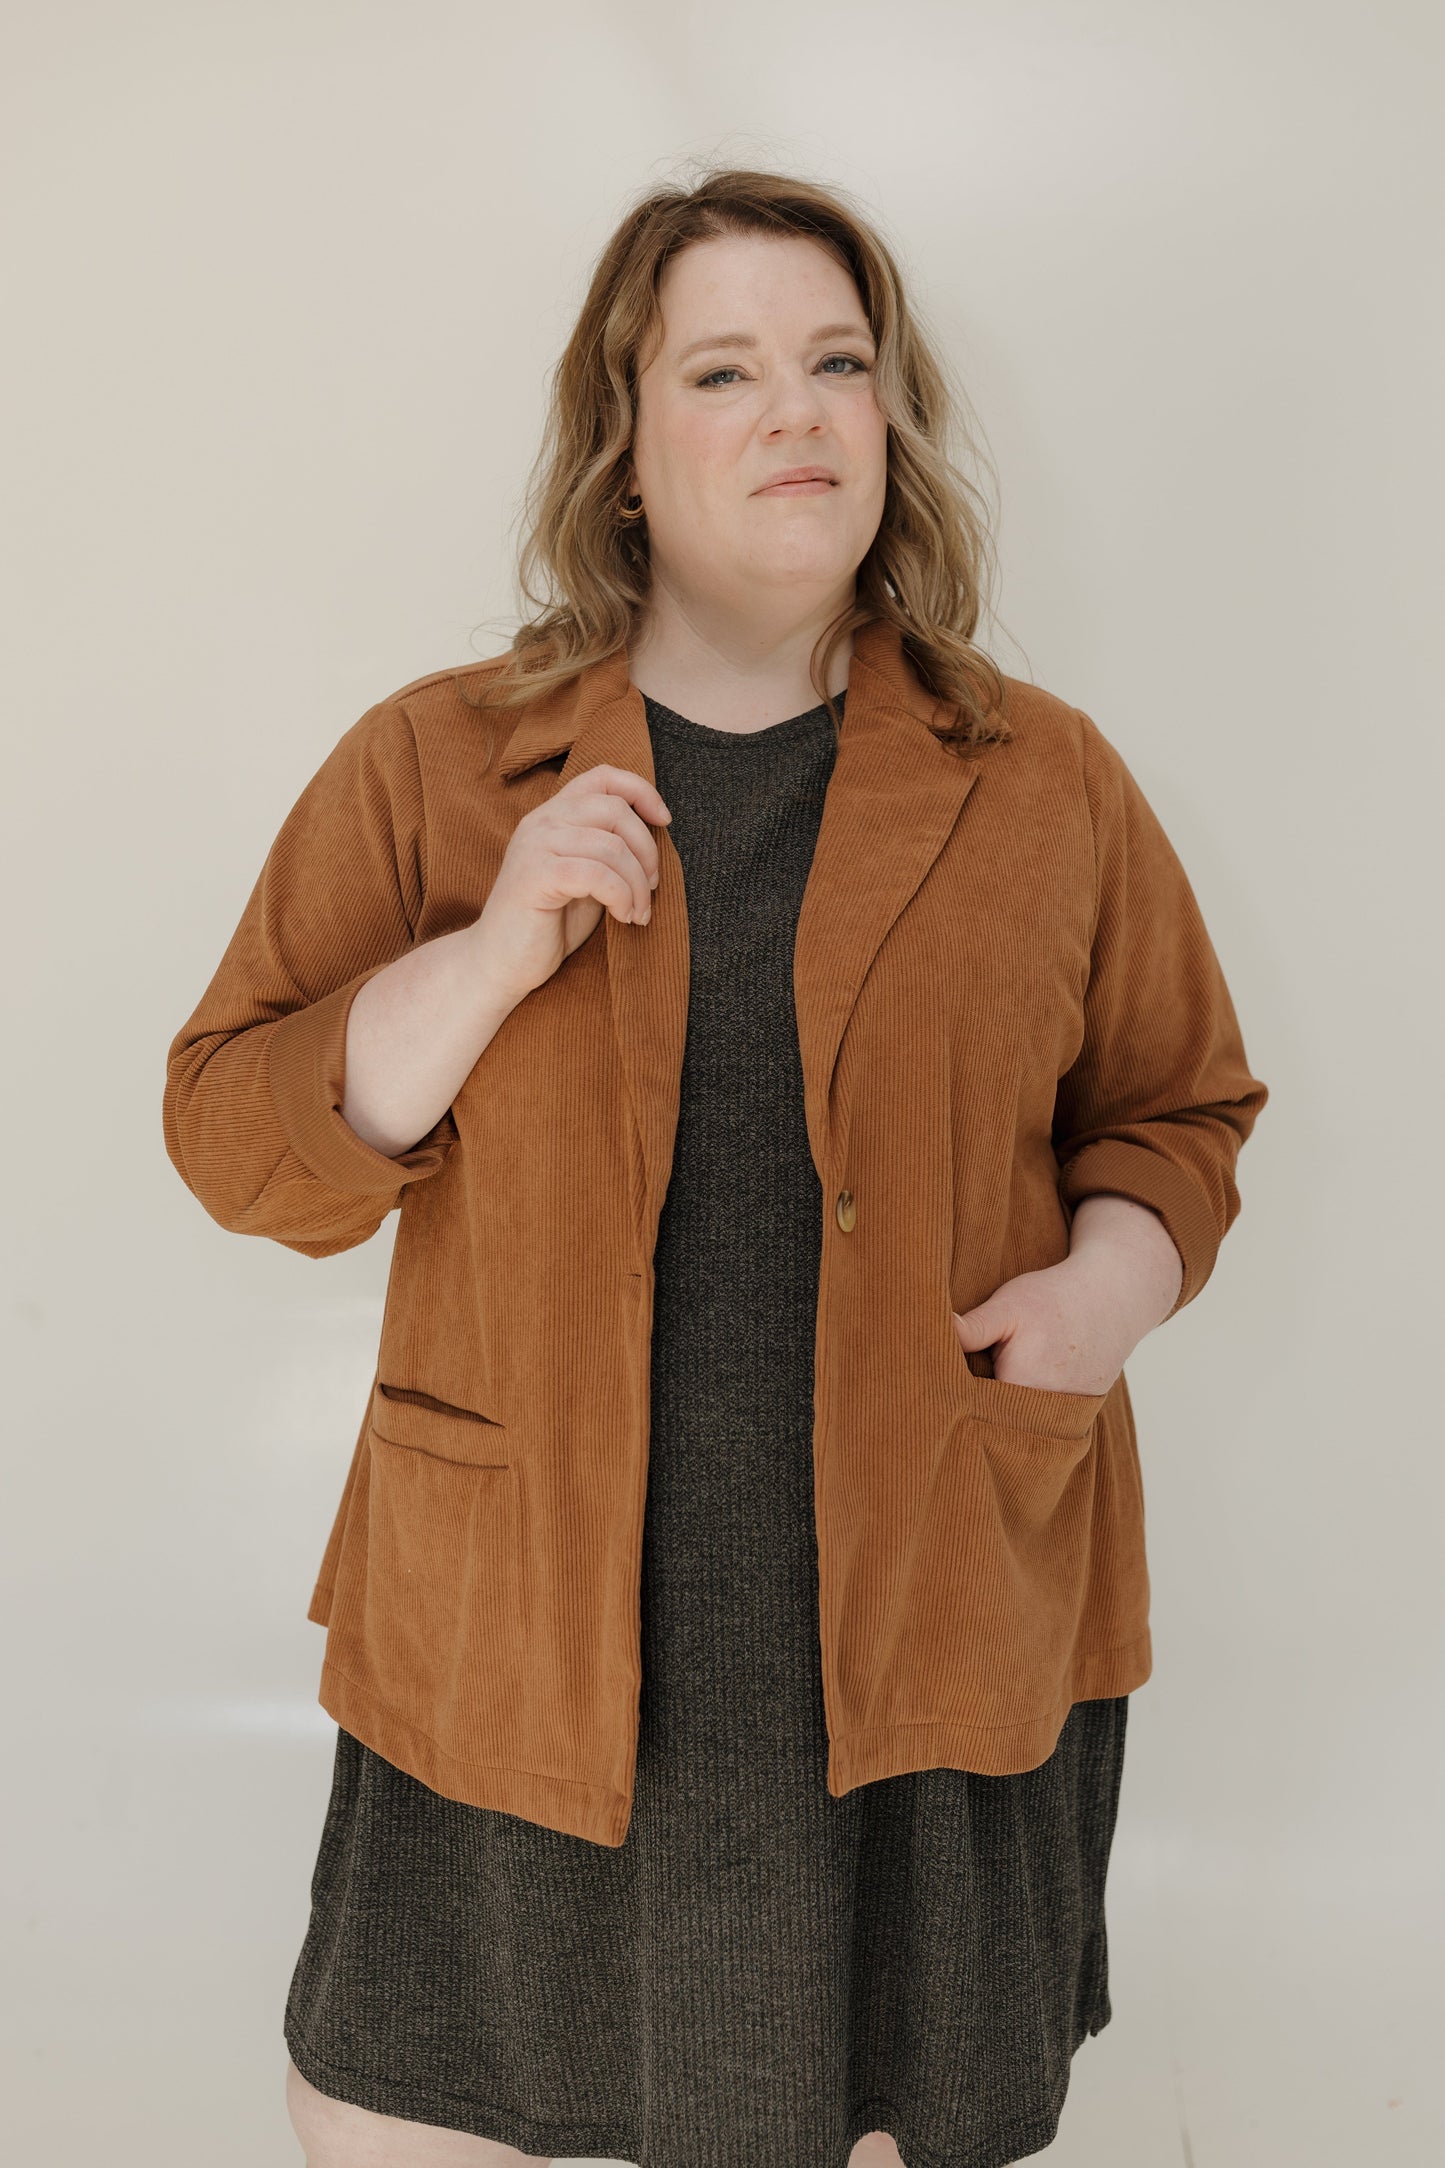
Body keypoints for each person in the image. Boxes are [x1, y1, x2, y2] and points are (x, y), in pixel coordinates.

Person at [163, 167, 1268, 2168]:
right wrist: (490, 955)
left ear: (891, 420)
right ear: (626, 448)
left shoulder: (1049, 782)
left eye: (840, 363)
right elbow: (236, 1137)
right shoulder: (436, 765)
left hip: (924, 1600)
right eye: (728, 368)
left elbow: (1182, 1108)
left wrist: (1109, 1285)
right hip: (527, 1624)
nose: (801, 413)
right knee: (421, 2107)